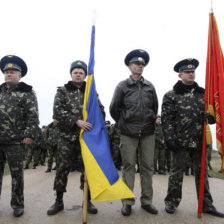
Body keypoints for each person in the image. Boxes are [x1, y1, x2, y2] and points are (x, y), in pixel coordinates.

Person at [162, 58, 224, 217]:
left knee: (202, 175)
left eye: (193, 71)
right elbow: (167, 120)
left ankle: (206, 205)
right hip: (180, 141)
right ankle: (171, 202)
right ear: (180, 74)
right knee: (176, 174)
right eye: (187, 72)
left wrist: (210, 117)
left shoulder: (204, 94)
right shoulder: (171, 95)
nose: (191, 74)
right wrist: (170, 139)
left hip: (199, 141)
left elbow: (212, 116)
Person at [47, 60, 105, 216]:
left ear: (85, 75)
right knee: (62, 169)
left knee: (87, 170)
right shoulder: (62, 91)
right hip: (67, 137)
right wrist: (76, 121)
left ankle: (87, 200)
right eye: (75, 72)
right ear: (71, 74)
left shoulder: (91, 92)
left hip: (86, 138)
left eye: (81, 72)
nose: (78, 74)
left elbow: (100, 111)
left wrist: (95, 123)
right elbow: (57, 112)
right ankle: (58, 201)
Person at [110, 49, 158, 216]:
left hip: (147, 132)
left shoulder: (150, 87)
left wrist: (150, 120)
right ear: (129, 67)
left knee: (147, 167)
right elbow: (114, 109)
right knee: (129, 166)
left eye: (142, 64)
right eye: (137, 64)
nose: (140, 66)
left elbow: (154, 108)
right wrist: (124, 123)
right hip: (128, 133)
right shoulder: (122, 86)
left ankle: (147, 201)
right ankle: (127, 201)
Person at [0, 55, 39, 217]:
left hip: (15, 141)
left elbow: (32, 115)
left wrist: (30, 134)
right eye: (6, 71)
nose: (8, 74)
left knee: (17, 175)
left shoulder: (27, 92)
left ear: (20, 75)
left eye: (12, 72)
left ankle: (17, 204)